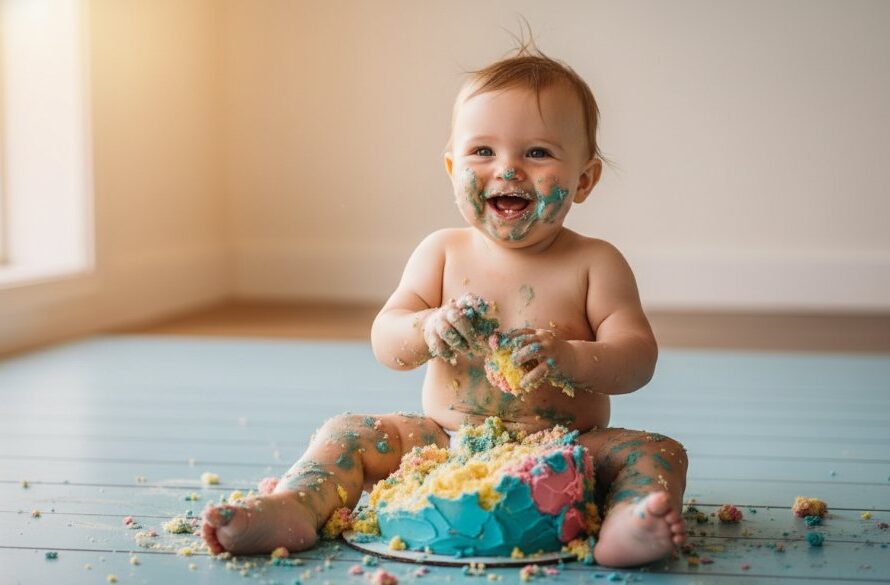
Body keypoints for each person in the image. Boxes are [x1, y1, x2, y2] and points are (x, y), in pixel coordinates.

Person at [202, 45, 687, 567]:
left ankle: (628, 525)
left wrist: (571, 358)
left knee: (659, 451)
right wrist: (427, 327)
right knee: (347, 433)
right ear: (452, 166)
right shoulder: (442, 252)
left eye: (538, 153)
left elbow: (637, 357)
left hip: (568, 451)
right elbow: (387, 339)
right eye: (483, 151)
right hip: (442, 444)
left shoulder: (595, 263)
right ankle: (295, 506)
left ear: (584, 179)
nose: (508, 169)